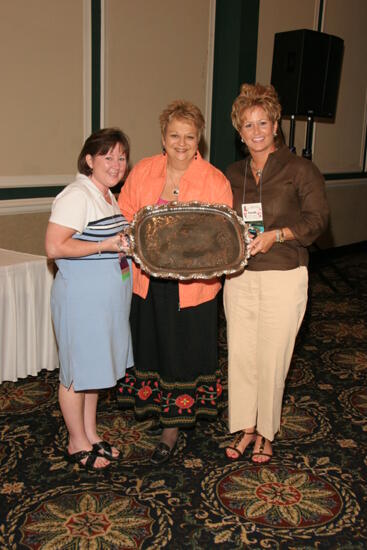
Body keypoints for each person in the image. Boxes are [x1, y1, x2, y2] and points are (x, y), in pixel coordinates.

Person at [117, 100, 233, 464]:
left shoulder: (215, 180)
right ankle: (160, 410)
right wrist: (130, 239)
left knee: (182, 353)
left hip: (192, 288)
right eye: (174, 135)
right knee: (152, 347)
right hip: (149, 282)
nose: (182, 143)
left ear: (199, 139)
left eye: (190, 136)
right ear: (163, 138)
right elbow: (125, 213)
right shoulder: (145, 171)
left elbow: (222, 239)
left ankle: (173, 427)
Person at [223, 83, 329, 463]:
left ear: (275, 124)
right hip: (239, 277)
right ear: (239, 131)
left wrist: (278, 235)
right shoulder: (233, 173)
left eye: (262, 123)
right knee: (241, 354)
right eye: (248, 125)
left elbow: (317, 221)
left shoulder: (300, 169)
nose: (256, 131)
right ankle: (245, 428)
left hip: (285, 272)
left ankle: (266, 430)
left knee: (273, 355)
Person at [45, 128, 133, 470]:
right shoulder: (76, 195)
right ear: (89, 160)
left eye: (121, 157)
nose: (116, 164)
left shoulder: (108, 194)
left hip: (105, 302)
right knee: (76, 373)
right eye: (108, 156)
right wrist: (105, 245)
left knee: (94, 370)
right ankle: (75, 441)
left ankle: (91, 434)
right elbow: (54, 247)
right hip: (81, 302)